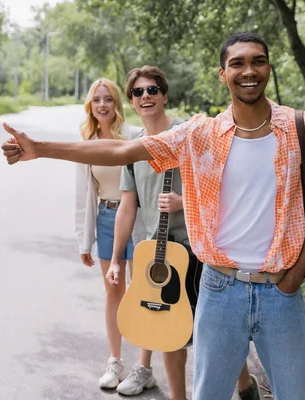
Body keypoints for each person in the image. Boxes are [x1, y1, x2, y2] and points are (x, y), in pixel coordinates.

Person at [1, 32, 305, 399]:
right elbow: (124, 149)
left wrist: (294, 277)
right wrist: (41, 149)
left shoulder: (303, 128)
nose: (248, 70)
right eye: (237, 63)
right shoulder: (199, 134)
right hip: (220, 289)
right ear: (222, 74)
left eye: (257, 61)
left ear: (269, 68)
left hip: (280, 290)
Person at [104, 66, 261, 399]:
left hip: (199, 250)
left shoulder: (189, 133)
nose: (145, 97)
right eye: (138, 92)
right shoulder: (133, 148)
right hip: (155, 255)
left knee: (213, 334)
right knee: (168, 336)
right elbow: (128, 206)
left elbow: (225, 189)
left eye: (152, 90)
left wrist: (183, 201)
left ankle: (245, 385)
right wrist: (117, 258)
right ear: (131, 102)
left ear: (163, 95)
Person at [74, 78, 143, 390]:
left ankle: (144, 366)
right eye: (97, 100)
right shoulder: (86, 140)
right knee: (113, 290)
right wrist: (83, 239)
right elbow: (82, 194)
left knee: (143, 291)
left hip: (137, 219)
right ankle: (114, 363)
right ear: (91, 105)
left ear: (118, 104)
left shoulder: (133, 136)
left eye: (109, 100)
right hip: (105, 218)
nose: (102, 105)